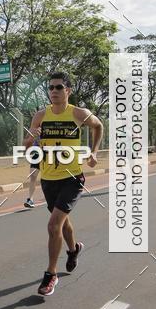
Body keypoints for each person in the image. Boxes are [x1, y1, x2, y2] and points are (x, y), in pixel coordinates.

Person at [24, 72, 102, 296]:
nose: (54, 91)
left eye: (59, 87)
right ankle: (74, 249)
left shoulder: (79, 113)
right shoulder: (40, 116)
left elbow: (99, 127)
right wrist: (32, 138)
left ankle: (51, 274)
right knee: (62, 221)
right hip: (48, 179)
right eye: (51, 88)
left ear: (68, 91)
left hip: (72, 177)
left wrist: (93, 152)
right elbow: (27, 145)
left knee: (52, 225)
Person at [24, 137, 41, 208]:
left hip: (49, 153)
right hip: (38, 153)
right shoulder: (37, 128)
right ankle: (30, 199)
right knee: (33, 175)